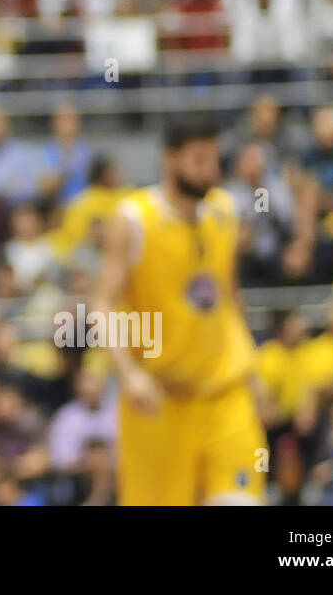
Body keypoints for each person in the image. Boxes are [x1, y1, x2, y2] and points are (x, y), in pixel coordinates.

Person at [92, 114, 265, 505]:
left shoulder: (225, 211)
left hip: (225, 394)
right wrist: (129, 374)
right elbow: (101, 304)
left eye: (216, 160)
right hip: (158, 402)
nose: (212, 172)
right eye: (200, 160)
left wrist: (251, 365)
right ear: (170, 159)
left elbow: (229, 298)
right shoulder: (134, 219)